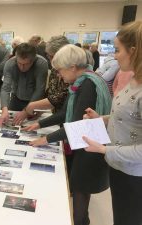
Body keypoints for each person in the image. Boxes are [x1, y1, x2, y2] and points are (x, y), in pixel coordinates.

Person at [23, 44, 112, 225]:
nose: (58, 75)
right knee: (78, 189)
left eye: (60, 70)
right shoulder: (80, 81)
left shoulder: (87, 85)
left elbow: (78, 125)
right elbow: (65, 113)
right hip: (85, 145)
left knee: (80, 191)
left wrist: (45, 139)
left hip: (89, 148)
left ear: (72, 67)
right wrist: (40, 123)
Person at [83, 21, 142, 225]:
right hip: (120, 167)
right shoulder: (133, 79)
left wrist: (104, 150)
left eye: (118, 50)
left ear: (133, 51)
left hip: (135, 174)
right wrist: (102, 118)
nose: (114, 56)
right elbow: (126, 117)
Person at [0, 43, 48, 126]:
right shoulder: (10, 64)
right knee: (9, 120)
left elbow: (39, 89)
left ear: (33, 60)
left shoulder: (41, 63)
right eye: (19, 63)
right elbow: (5, 88)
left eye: (26, 64)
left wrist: (27, 110)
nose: (22, 67)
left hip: (35, 100)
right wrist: (4, 109)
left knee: (31, 124)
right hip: (16, 98)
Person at [22, 35, 70, 117]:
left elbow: (61, 96)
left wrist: (32, 106)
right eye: (48, 56)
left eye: (52, 56)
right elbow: (51, 90)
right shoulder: (55, 69)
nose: (50, 60)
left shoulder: (70, 71)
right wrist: (40, 108)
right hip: (56, 115)